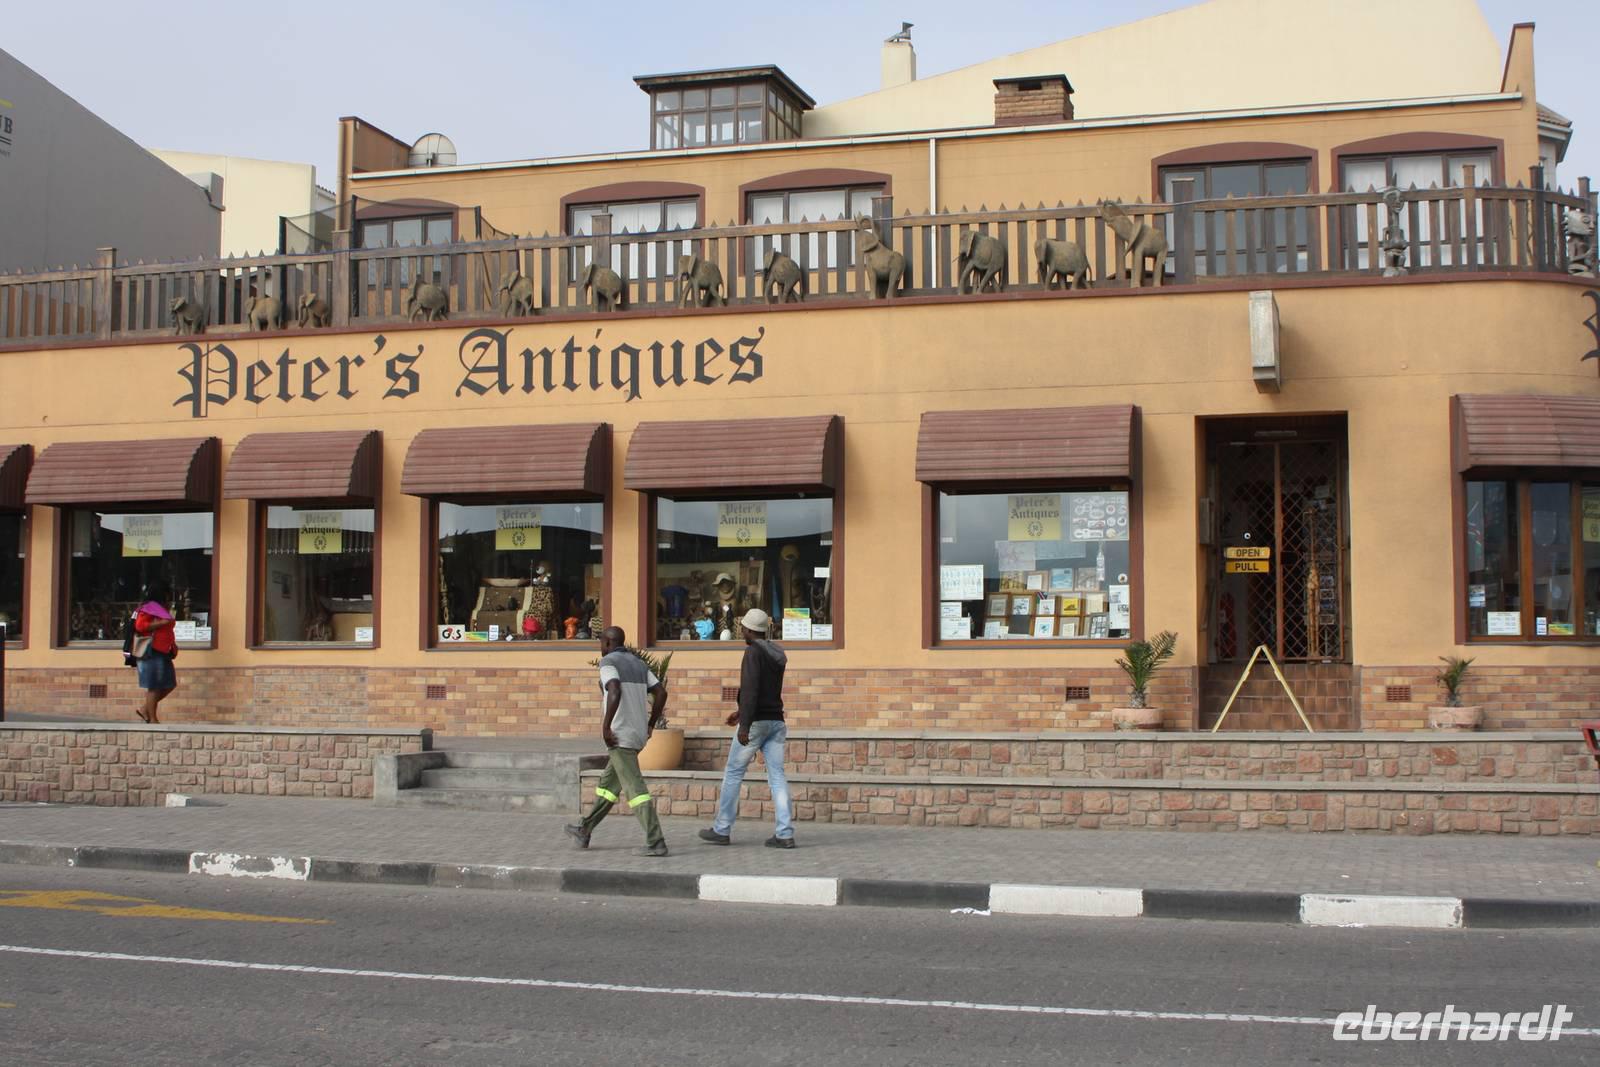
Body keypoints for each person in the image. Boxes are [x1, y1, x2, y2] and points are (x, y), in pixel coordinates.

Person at [565, 626, 670, 856]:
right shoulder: (639, 664)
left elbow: (614, 689)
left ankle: (656, 841)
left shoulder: (608, 662)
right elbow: (661, 693)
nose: (600, 646)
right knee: (609, 786)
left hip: (619, 736)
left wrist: (606, 726)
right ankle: (585, 829)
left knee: (635, 789)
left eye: (601, 642)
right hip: (638, 735)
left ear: (608, 643)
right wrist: (651, 724)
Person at [699, 608, 795, 849]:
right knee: (777, 776)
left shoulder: (753, 653)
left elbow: (752, 689)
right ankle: (785, 833)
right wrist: (741, 712)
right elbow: (765, 690)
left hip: (757, 723)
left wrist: (745, 724)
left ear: (750, 630)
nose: (741, 631)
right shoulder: (776, 654)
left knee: (733, 772)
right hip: (776, 721)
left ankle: (722, 829)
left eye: (743, 628)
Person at [132, 587, 177, 723]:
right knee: (154, 685)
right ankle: (153, 719)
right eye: (167, 595)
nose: (169, 598)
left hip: (164, 651)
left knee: (169, 684)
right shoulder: (148, 608)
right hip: (151, 651)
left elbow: (167, 629)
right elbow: (140, 626)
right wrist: (161, 622)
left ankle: (145, 709)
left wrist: (173, 644)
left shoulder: (162, 609)